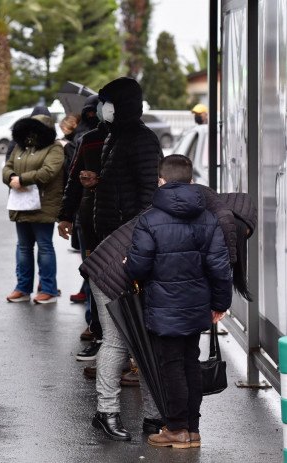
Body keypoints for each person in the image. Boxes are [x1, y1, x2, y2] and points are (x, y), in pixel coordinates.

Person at [124, 155, 232, 449]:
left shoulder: (149, 219)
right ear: (191, 182)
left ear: (160, 180)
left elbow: (138, 268)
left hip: (163, 306)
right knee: (190, 364)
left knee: (171, 367)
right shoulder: (207, 218)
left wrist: (128, 263)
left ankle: (176, 429)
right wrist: (221, 303)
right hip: (197, 304)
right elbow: (220, 267)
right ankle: (192, 430)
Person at [86, 77, 164, 441]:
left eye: (108, 102)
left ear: (124, 104)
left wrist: (138, 252)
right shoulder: (114, 139)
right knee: (119, 339)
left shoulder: (143, 142)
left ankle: (151, 417)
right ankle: (108, 412)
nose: (103, 108)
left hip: (129, 253)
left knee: (139, 340)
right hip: (111, 250)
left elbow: (148, 200)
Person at [57, 95, 105, 346]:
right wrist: (66, 215)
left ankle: (110, 332)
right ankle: (95, 326)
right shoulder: (86, 139)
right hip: (89, 216)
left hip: (117, 219)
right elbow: (74, 178)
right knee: (92, 273)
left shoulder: (136, 139)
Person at [2, 114, 64, 304]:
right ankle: (23, 288)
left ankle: (48, 290)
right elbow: (7, 167)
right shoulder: (20, 147)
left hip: (43, 205)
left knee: (44, 247)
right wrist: (12, 176)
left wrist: (22, 179)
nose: (31, 132)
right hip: (21, 205)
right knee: (23, 248)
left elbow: (48, 172)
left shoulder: (54, 148)